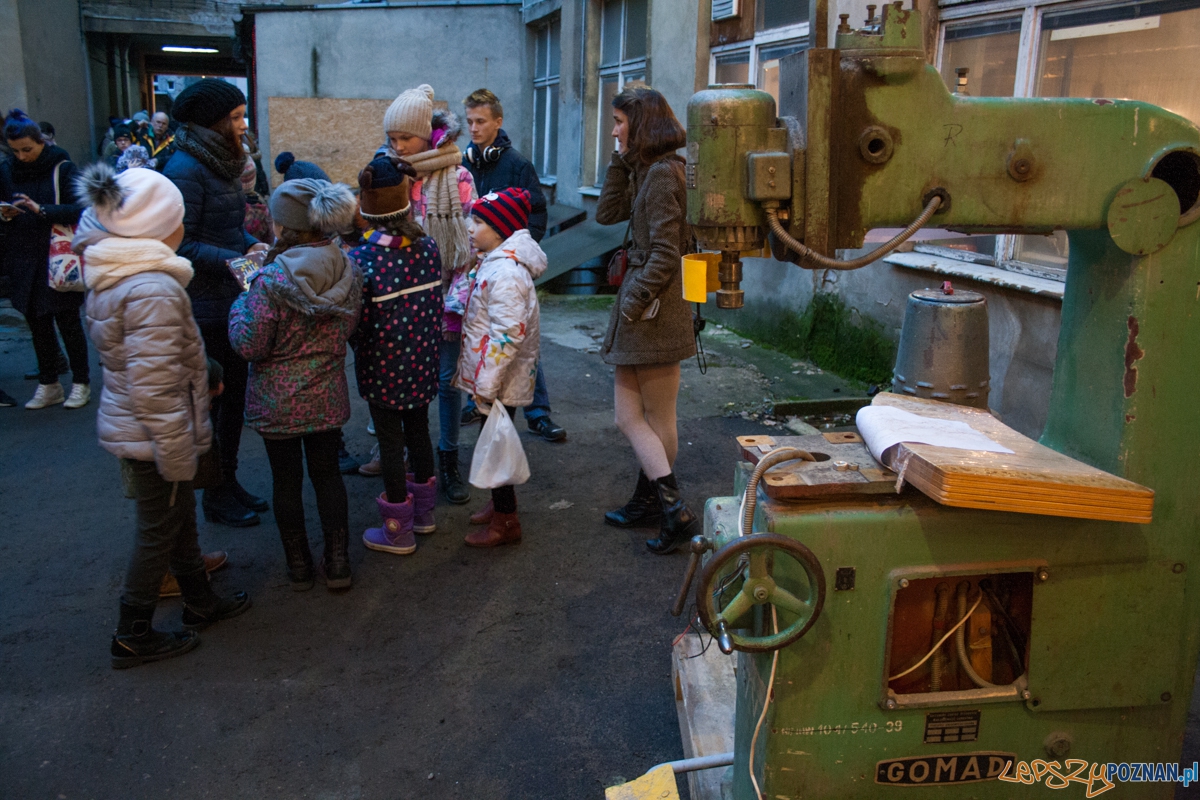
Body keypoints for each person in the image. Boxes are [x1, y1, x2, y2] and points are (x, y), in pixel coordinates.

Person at [77, 162, 250, 668]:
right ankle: (133, 631)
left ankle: (200, 600)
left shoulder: (120, 276)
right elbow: (156, 387)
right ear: (156, 229)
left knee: (176, 518)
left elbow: (154, 354)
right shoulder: (152, 288)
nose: (183, 231)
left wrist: (205, 367)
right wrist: (177, 456)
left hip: (139, 424)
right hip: (155, 434)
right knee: (158, 530)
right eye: (179, 222)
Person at [228, 178, 361, 591]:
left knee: (286, 481)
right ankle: (338, 562)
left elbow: (249, 345)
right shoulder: (348, 268)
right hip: (327, 395)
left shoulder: (268, 281)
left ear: (284, 225)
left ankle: (299, 565)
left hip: (277, 402)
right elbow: (348, 328)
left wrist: (241, 300)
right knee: (328, 477)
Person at [595, 86, 700, 555]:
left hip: (653, 309)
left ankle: (673, 510)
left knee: (642, 417)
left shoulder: (661, 175)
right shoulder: (648, 171)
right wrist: (621, 161)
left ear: (640, 124)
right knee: (643, 417)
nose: (613, 130)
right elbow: (607, 213)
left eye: (619, 122)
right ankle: (653, 502)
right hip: (652, 308)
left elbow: (664, 252)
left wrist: (633, 304)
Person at [164, 78, 271, 527]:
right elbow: (180, 243)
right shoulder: (185, 168)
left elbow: (228, 227)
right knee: (215, 402)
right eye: (236, 117)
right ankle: (215, 494)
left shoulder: (221, 161)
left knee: (233, 401)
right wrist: (233, 259)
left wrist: (250, 244)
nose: (244, 125)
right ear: (212, 122)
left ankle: (228, 481)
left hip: (229, 299)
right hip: (205, 305)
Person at [383, 84, 477, 505]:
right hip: (401, 295)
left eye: (405, 137)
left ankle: (449, 458)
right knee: (403, 378)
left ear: (426, 134)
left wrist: (455, 296)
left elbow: (470, 240)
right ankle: (405, 456)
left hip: (446, 293)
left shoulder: (458, 177)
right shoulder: (389, 174)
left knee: (446, 381)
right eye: (392, 139)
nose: (398, 147)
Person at [348, 156, 443, 555]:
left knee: (390, 442)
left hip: (382, 366)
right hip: (423, 361)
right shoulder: (429, 247)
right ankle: (424, 515)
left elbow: (357, 321)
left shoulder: (361, 259)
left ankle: (397, 531)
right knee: (419, 431)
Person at [461, 89, 565, 444]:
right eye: (469, 121)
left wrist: (515, 253)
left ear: (498, 122)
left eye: (481, 121)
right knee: (480, 333)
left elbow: (537, 213)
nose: (474, 128)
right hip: (477, 264)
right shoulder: (466, 163)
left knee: (517, 338)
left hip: (507, 265)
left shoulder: (517, 165)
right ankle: (478, 401)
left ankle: (538, 413)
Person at [455, 188, 545, 547]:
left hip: (499, 380)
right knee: (492, 440)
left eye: (478, 221)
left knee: (497, 445)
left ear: (500, 229)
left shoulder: (506, 273)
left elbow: (507, 334)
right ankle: (499, 505)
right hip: (494, 376)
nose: (470, 227)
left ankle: (506, 521)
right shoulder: (495, 261)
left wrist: (486, 385)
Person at [0, 109, 91, 410]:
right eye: (15, 151)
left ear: (41, 142)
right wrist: (5, 213)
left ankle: (81, 382)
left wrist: (41, 210)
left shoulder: (62, 167)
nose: (22, 156)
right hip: (22, 256)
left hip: (56, 256)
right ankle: (49, 383)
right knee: (37, 323)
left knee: (68, 322)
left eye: (27, 149)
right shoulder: (7, 170)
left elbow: (80, 209)